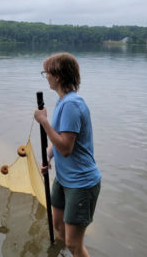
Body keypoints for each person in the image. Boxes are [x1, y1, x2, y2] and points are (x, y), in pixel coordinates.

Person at [34, 53, 101, 257]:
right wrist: (47, 157)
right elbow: (58, 141)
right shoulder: (62, 101)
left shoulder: (72, 105)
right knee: (58, 227)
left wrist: (44, 122)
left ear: (59, 77)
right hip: (64, 180)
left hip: (81, 183)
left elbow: (65, 147)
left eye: (47, 72)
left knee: (73, 243)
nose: (45, 76)